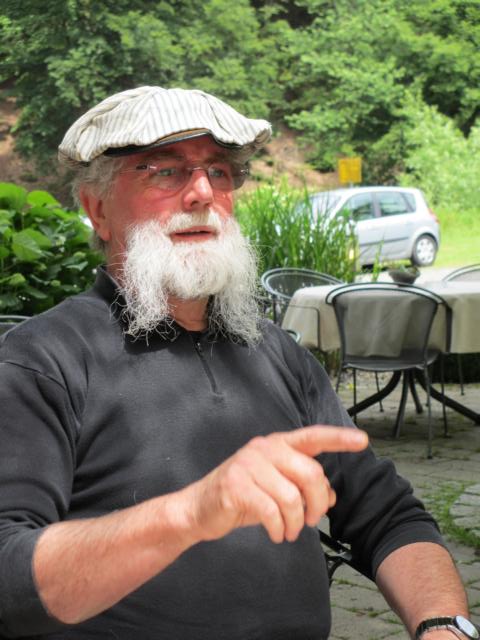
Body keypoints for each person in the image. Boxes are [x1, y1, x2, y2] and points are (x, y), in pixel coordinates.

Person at [0, 86, 476, 640]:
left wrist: (443, 623)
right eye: (165, 171)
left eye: (220, 171)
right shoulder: (42, 360)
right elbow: (9, 577)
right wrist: (191, 513)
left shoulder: (279, 356)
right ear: (97, 209)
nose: (203, 192)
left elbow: (389, 515)